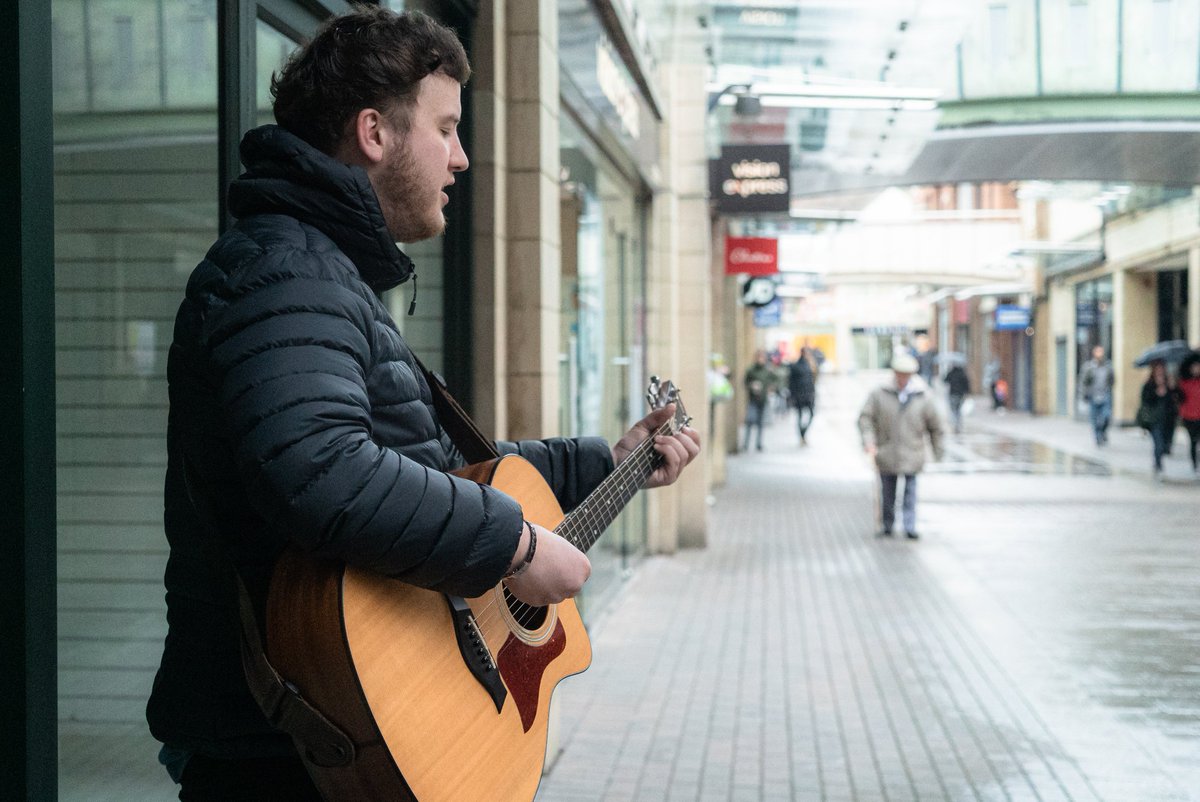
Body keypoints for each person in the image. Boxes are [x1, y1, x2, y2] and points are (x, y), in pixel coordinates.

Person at [144, 9, 701, 800]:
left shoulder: (322, 274)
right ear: (374, 132)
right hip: (292, 748)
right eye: (445, 129)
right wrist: (514, 547)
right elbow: (320, 469)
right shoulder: (287, 271)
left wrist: (609, 464)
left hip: (321, 740)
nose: (462, 157)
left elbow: (442, 472)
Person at [858, 352, 945, 539]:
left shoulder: (923, 397)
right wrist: (869, 441)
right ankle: (887, 524)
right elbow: (865, 418)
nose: (902, 378)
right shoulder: (879, 394)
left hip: (913, 452)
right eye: (899, 374)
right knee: (887, 491)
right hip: (887, 451)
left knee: (910, 492)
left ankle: (909, 526)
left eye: (906, 374)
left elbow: (936, 426)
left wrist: (938, 452)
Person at [1139, 360, 1180, 480]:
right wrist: (1156, 392)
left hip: (1168, 419)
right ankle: (1158, 464)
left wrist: (1173, 388)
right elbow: (1145, 400)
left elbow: (1180, 398)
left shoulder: (1170, 383)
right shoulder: (1149, 384)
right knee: (1158, 443)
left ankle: (1158, 461)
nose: (1160, 371)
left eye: (1162, 368)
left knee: (1167, 444)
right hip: (1154, 420)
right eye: (1158, 369)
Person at [1080, 345, 1114, 445]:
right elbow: (1084, 382)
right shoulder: (1088, 367)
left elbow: (1112, 380)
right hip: (1093, 396)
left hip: (1105, 395)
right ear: (1094, 354)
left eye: (1101, 353)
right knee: (1094, 419)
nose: (1100, 355)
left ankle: (1103, 431)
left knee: (1106, 416)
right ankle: (1098, 437)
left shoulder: (1108, 366)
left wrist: (1109, 389)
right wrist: (1084, 394)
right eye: (1098, 353)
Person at [742, 349, 776, 452]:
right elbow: (745, 382)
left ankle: (759, 443)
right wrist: (752, 386)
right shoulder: (751, 370)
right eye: (759, 357)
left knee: (760, 423)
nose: (761, 360)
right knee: (750, 420)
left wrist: (770, 388)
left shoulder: (767, 370)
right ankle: (746, 443)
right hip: (753, 399)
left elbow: (774, 380)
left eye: (762, 358)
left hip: (763, 399)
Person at [787, 347, 817, 445]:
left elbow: (814, 380)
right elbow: (791, 382)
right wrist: (792, 396)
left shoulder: (811, 365)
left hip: (809, 394)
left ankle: (803, 434)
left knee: (811, 415)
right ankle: (802, 436)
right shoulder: (796, 366)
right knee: (800, 416)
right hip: (800, 395)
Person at [1178, 352, 1200, 475]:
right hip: (1189, 416)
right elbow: (1180, 398)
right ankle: (1194, 464)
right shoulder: (1184, 383)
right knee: (1193, 441)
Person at [944, 362, 970, 434]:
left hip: (952, 394)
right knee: (958, 410)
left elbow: (945, 380)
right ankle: (958, 423)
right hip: (960, 395)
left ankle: (955, 423)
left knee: (953, 409)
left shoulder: (951, 373)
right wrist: (967, 393)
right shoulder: (963, 374)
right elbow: (967, 384)